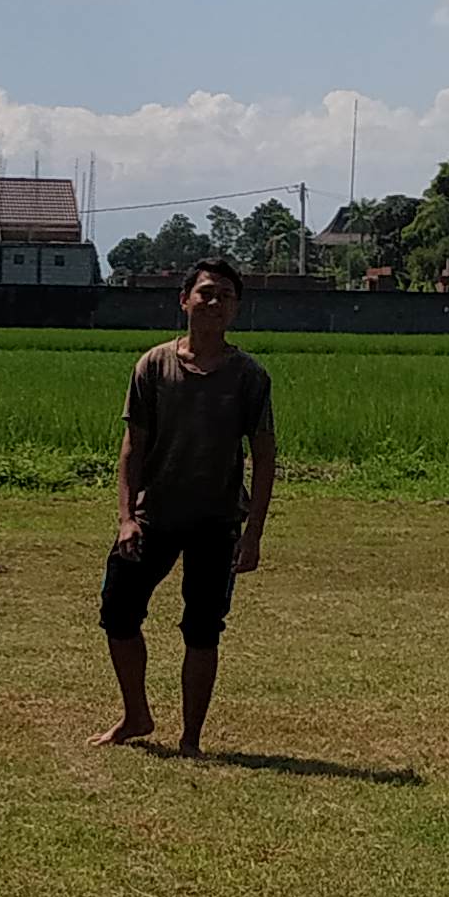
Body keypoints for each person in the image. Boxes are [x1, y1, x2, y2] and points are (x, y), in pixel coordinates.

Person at [96, 256, 278, 755]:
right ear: (184, 301)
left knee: (202, 628)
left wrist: (254, 533)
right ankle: (136, 714)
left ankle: (191, 739)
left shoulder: (248, 377)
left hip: (216, 522)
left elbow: (264, 456)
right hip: (154, 515)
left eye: (225, 295)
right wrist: (126, 517)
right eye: (205, 293)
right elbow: (133, 445)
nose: (214, 302)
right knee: (118, 613)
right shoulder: (154, 366)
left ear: (236, 309)